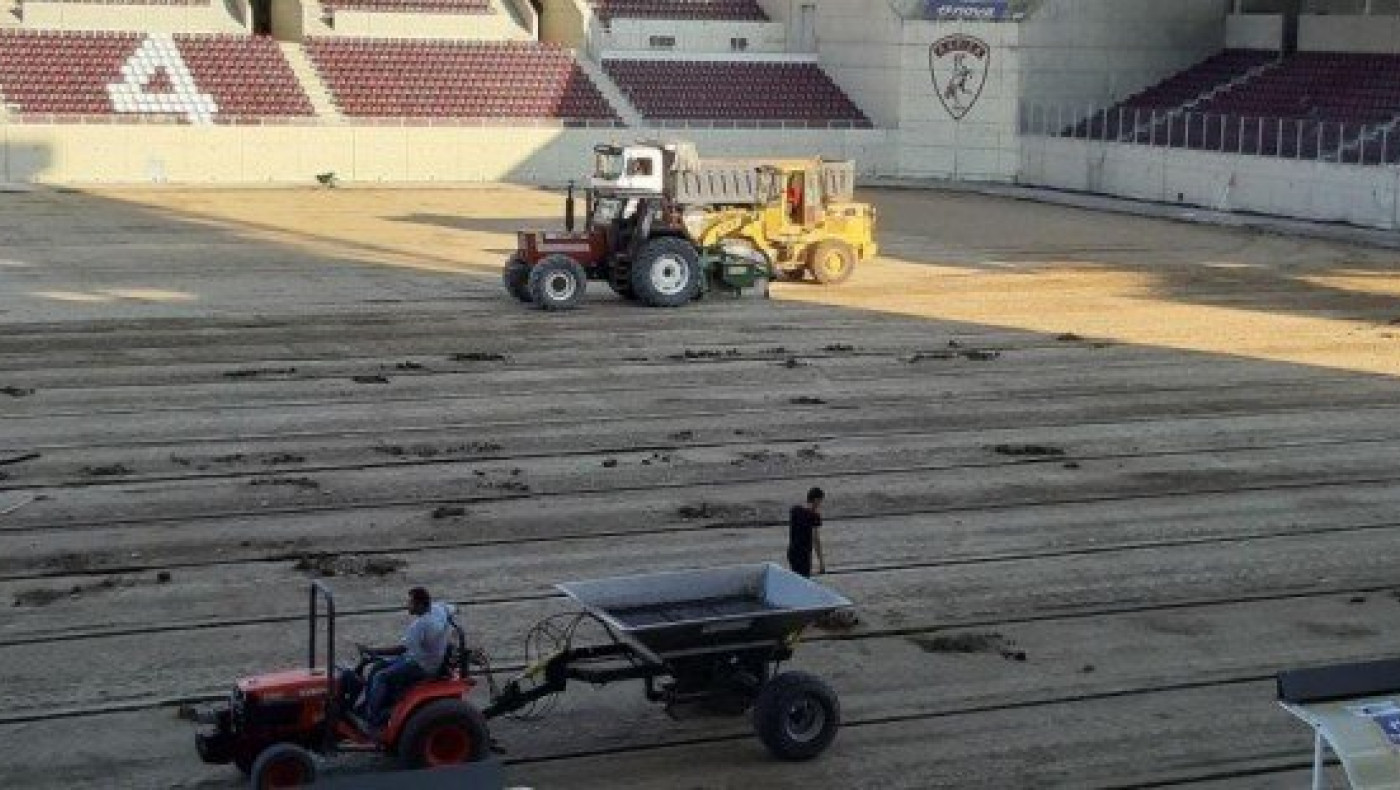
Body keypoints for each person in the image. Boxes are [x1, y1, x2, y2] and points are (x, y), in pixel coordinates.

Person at [356, 587, 455, 730]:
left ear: (420, 605)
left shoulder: (420, 625)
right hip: (426, 657)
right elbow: (454, 609)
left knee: (380, 676)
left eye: (411, 603)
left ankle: (372, 718)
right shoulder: (438, 608)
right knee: (377, 666)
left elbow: (401, 649)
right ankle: (368, 706)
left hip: (422, 665)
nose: (407, 605)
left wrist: (372, 650)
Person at [787, 487, 826, 577]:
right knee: (803, 580)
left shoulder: (795, 510)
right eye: (820, 501)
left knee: (796, 578)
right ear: (816, 500)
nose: (820, 504)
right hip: (804, 555)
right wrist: (821, 562)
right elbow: (816, 540)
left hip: (792, 552)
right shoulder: (814, 516)